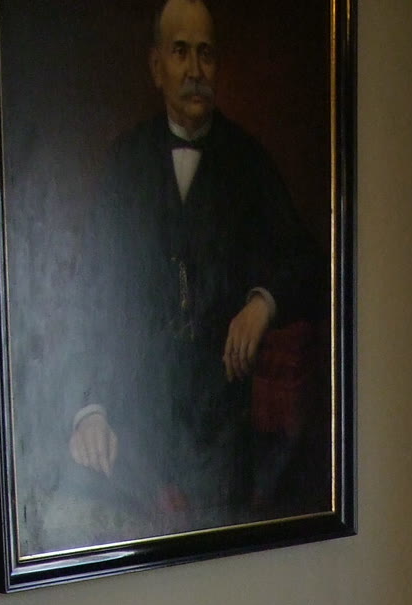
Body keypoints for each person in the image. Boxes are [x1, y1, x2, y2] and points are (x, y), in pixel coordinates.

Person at [62, 0, 322, 535]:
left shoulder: (248, 161)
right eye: (181, 52)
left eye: (206, 54)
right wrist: (91, 408)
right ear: (156, 66)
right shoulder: (124, 163)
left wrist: (262, 303)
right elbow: (88, 294)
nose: (195, 69)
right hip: (135, 415)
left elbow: (307, 261)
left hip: (221, 420)